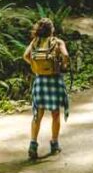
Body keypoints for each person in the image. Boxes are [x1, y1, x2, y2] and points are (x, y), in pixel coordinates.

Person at [23, 17, 70, 160]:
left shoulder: (35, 42)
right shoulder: (58, 42)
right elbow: (66, 56)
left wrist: (35, 66)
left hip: (40, 81)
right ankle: (54, 143)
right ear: (52, 30)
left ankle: (33, 144)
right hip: (54, 80)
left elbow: (25, 56)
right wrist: (63, 66)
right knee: (55, 113)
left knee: (38, 114)